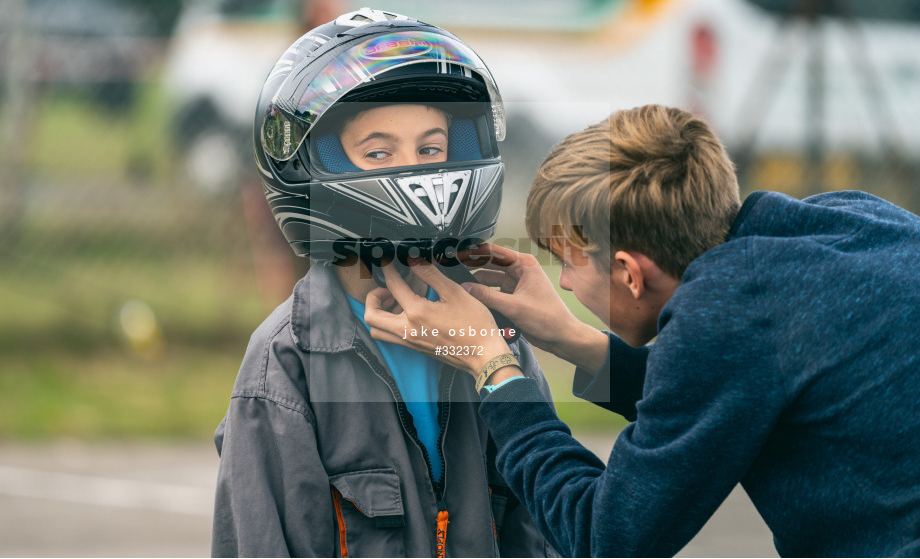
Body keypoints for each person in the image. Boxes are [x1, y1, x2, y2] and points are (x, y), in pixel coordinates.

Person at [365, 104, 920, 557]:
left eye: (569, 263)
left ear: (630, 273)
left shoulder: (726, 311)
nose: (562, 285)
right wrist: (572, 340)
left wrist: (494, 368)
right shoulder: (850, 219)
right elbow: (728, 382)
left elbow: (604, 538)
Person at [211, 8, 557, 558]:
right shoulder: (287, 362)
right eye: (378, 152)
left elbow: (542, 532)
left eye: (431, 148)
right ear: (314, 163)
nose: (414, 170)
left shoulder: (496, 339)